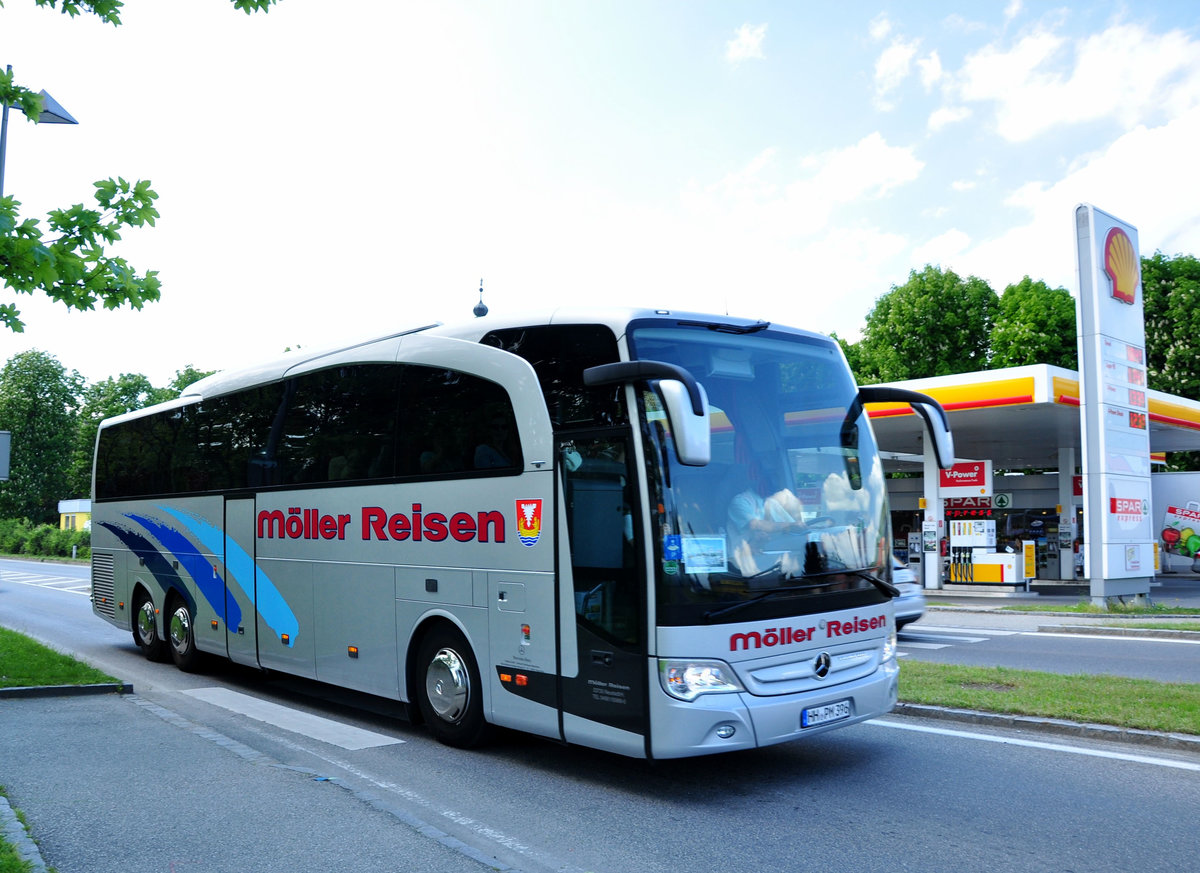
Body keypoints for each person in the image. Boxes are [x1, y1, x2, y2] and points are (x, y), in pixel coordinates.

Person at [726, 466, 807, 575]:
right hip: (742, 561)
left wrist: (805, 527)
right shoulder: (740, 501)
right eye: (768, 480)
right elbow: (756, 525)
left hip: (771, 557)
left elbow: (792, 526)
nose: (773, 484)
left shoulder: (771, 502)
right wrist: (790, 524)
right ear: (756, 480)